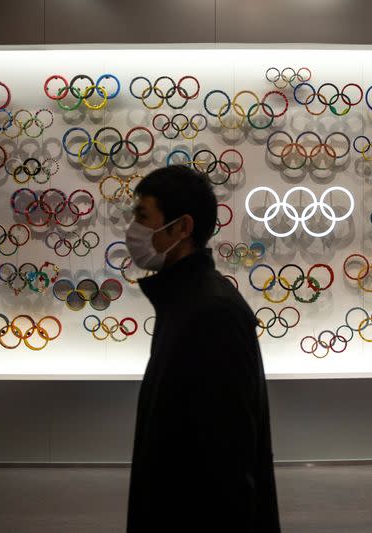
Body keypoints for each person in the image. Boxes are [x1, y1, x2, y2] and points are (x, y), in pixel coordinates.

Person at [124, 165, 280, 532]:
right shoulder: (184, 301)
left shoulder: (211, 312)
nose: (134, 230)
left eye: (143, 217)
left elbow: (228, 454)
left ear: (182, 227)